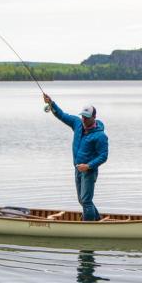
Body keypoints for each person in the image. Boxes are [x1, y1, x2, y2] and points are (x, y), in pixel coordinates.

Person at [43, 93, 108, 221]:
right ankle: (97, 221)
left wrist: (88, 166)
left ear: (94, 117)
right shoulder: (77, 124)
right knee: (82, 200)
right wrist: (51, 103)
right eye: (83, 116)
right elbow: (62, 115)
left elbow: (103, 156)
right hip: (77, 169)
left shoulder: (100, 136)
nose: (84, 119)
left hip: (89, 171)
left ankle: (88, 228)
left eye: (87, 117)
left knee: (86, 200)